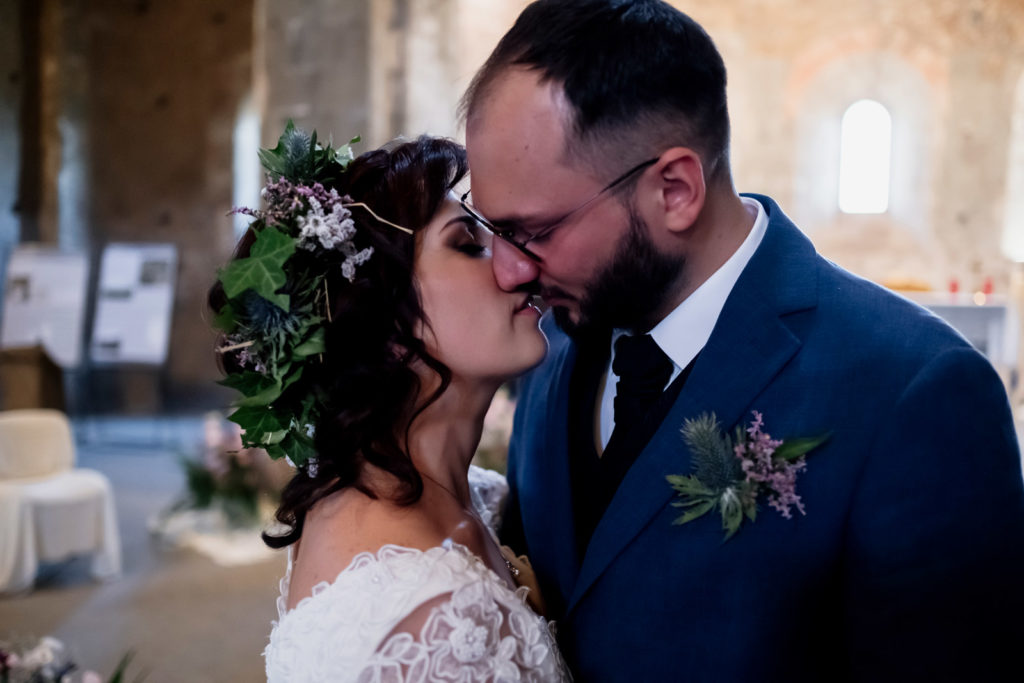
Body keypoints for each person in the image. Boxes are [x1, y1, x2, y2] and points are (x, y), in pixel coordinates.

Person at [460, 1, 1024, 680]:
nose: (508, 269)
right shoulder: (550, 339)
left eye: (535, 231)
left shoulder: (915, 392)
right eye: (490, 229)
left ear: (674, 189)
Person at [210, 132, 569, 681]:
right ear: (385, 327)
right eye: (468, 245)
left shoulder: (459, 493)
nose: (518, 263)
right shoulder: (436, 628)